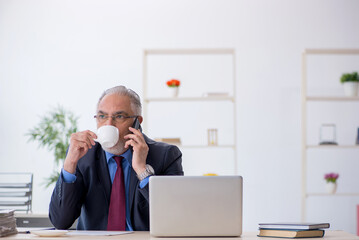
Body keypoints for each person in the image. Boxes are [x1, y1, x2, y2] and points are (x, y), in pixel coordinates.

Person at [49, 85, 184, 231]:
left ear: (137, 122)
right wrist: (70, 163)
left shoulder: (165, 156)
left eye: (119, 117)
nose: (108, 124)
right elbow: (60, 221)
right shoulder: (84, 156)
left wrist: (142, 169)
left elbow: (174, 216)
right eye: (102, 116)